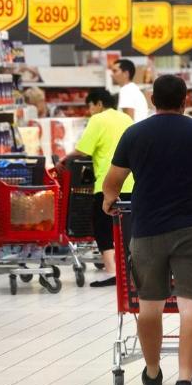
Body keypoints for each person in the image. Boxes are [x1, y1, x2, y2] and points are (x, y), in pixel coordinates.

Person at [102, 75, 192, 385]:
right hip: (191, 228)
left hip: (147, 230)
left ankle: (153, 371)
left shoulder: (135, 134)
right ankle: (185, 379)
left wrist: (108, 201)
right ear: (186, 99)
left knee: (149, 307)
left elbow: (113, 182)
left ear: (151, 99)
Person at [58, 88, 134, 287]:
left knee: (103, 227)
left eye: (90, 106)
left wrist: (64, 159)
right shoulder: (126, 119)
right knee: (127, 227)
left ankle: (112, 272)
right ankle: (130, 270)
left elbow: (83, 149)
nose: (90, 111)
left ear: (98, 104)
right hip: (132, 181)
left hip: (108, 183)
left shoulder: (98, 119)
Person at [112, 58, 149, 122]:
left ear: (126, 73)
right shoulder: (132, 89)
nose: (111, 74)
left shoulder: (126, 90)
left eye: (115, 71)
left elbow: (128, 120)